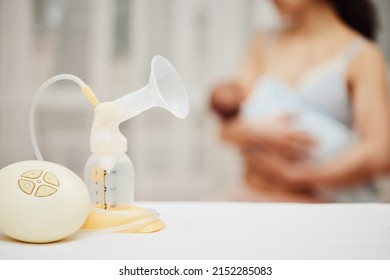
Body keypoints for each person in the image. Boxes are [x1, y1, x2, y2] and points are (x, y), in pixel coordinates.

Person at [211, 0, 390, 202]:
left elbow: (380, 153)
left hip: (316, 206)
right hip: (249, 196)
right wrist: (261, 131)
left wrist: (297, 177)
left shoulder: (363, 54)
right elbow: (226, 131)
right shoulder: (264, 40)